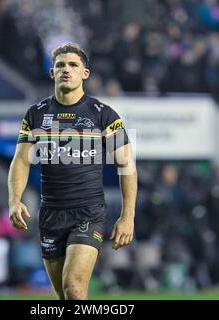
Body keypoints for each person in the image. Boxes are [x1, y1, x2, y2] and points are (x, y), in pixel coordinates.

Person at [8, 43, 137, 300]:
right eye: (60, 65)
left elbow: (127, 166)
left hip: (88, 213)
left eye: (73, 65)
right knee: (65, 296)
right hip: (51, 215)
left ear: (85, 74)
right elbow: (21, 161)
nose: (66, 69)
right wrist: (14, 200)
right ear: (52, 73)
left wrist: (128, 216)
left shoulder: (104, 115)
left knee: (74, 289)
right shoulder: (36, 114)